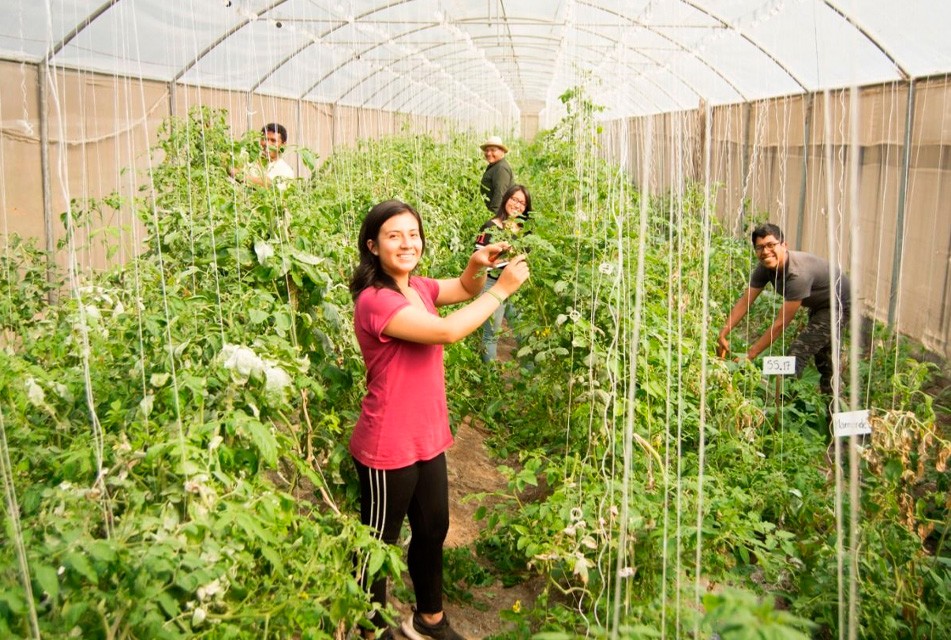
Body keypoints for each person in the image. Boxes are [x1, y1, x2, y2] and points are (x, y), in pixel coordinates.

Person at [349, 200, 529, 640]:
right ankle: (368, 628)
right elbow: (447, 332)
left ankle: (428, 619)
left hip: (427, 436)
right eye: (394, 236)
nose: (407, 243)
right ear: (372, 246)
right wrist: (500, 291)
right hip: (387, 444)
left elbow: (464, 289)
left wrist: (476, 266)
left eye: (413, 234)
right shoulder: (376, 301)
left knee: (433, 529)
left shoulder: (418, 287)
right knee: (377, 543)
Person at [716, 223, 852, 397]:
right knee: (825, 360)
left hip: (838, 305)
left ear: (784, 245)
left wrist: (749, 355)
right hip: (820, 305)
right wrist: (723, 333)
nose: (765, 251)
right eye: (760, 247)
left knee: (797, 354)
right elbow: (745, 302)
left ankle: (784, 403)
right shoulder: (765, 267)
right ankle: (836, 406)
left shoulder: (797, 274)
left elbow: (780, 324)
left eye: (771, 245)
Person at [474, 184, 532, 362]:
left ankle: (529, 373)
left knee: (523, 333)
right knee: (491, 334)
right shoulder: (490, 227)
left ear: (526, 208)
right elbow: (478, 259)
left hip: (516, 287)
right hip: (493, 284)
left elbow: (527, 256)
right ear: (506, 199)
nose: (517, 205)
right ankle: (490, 376)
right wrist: (502, 258)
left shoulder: (525, 230)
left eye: (522, 203)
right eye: (514, 199)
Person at [229, 122, 295, 190]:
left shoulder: (285, 170)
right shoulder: (249, 159)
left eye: (273, 140)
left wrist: (237, 174)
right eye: (264, 139)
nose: (267, 144)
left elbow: (268, 184)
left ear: (283, 145)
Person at [479, 136, 514, 212]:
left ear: (502, 152)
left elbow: (500, 194)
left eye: (493, 150)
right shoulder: (495, 166)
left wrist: (493, 215)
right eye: (487, 150)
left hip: (498, 213)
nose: (488, 153)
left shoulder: (501, 168)